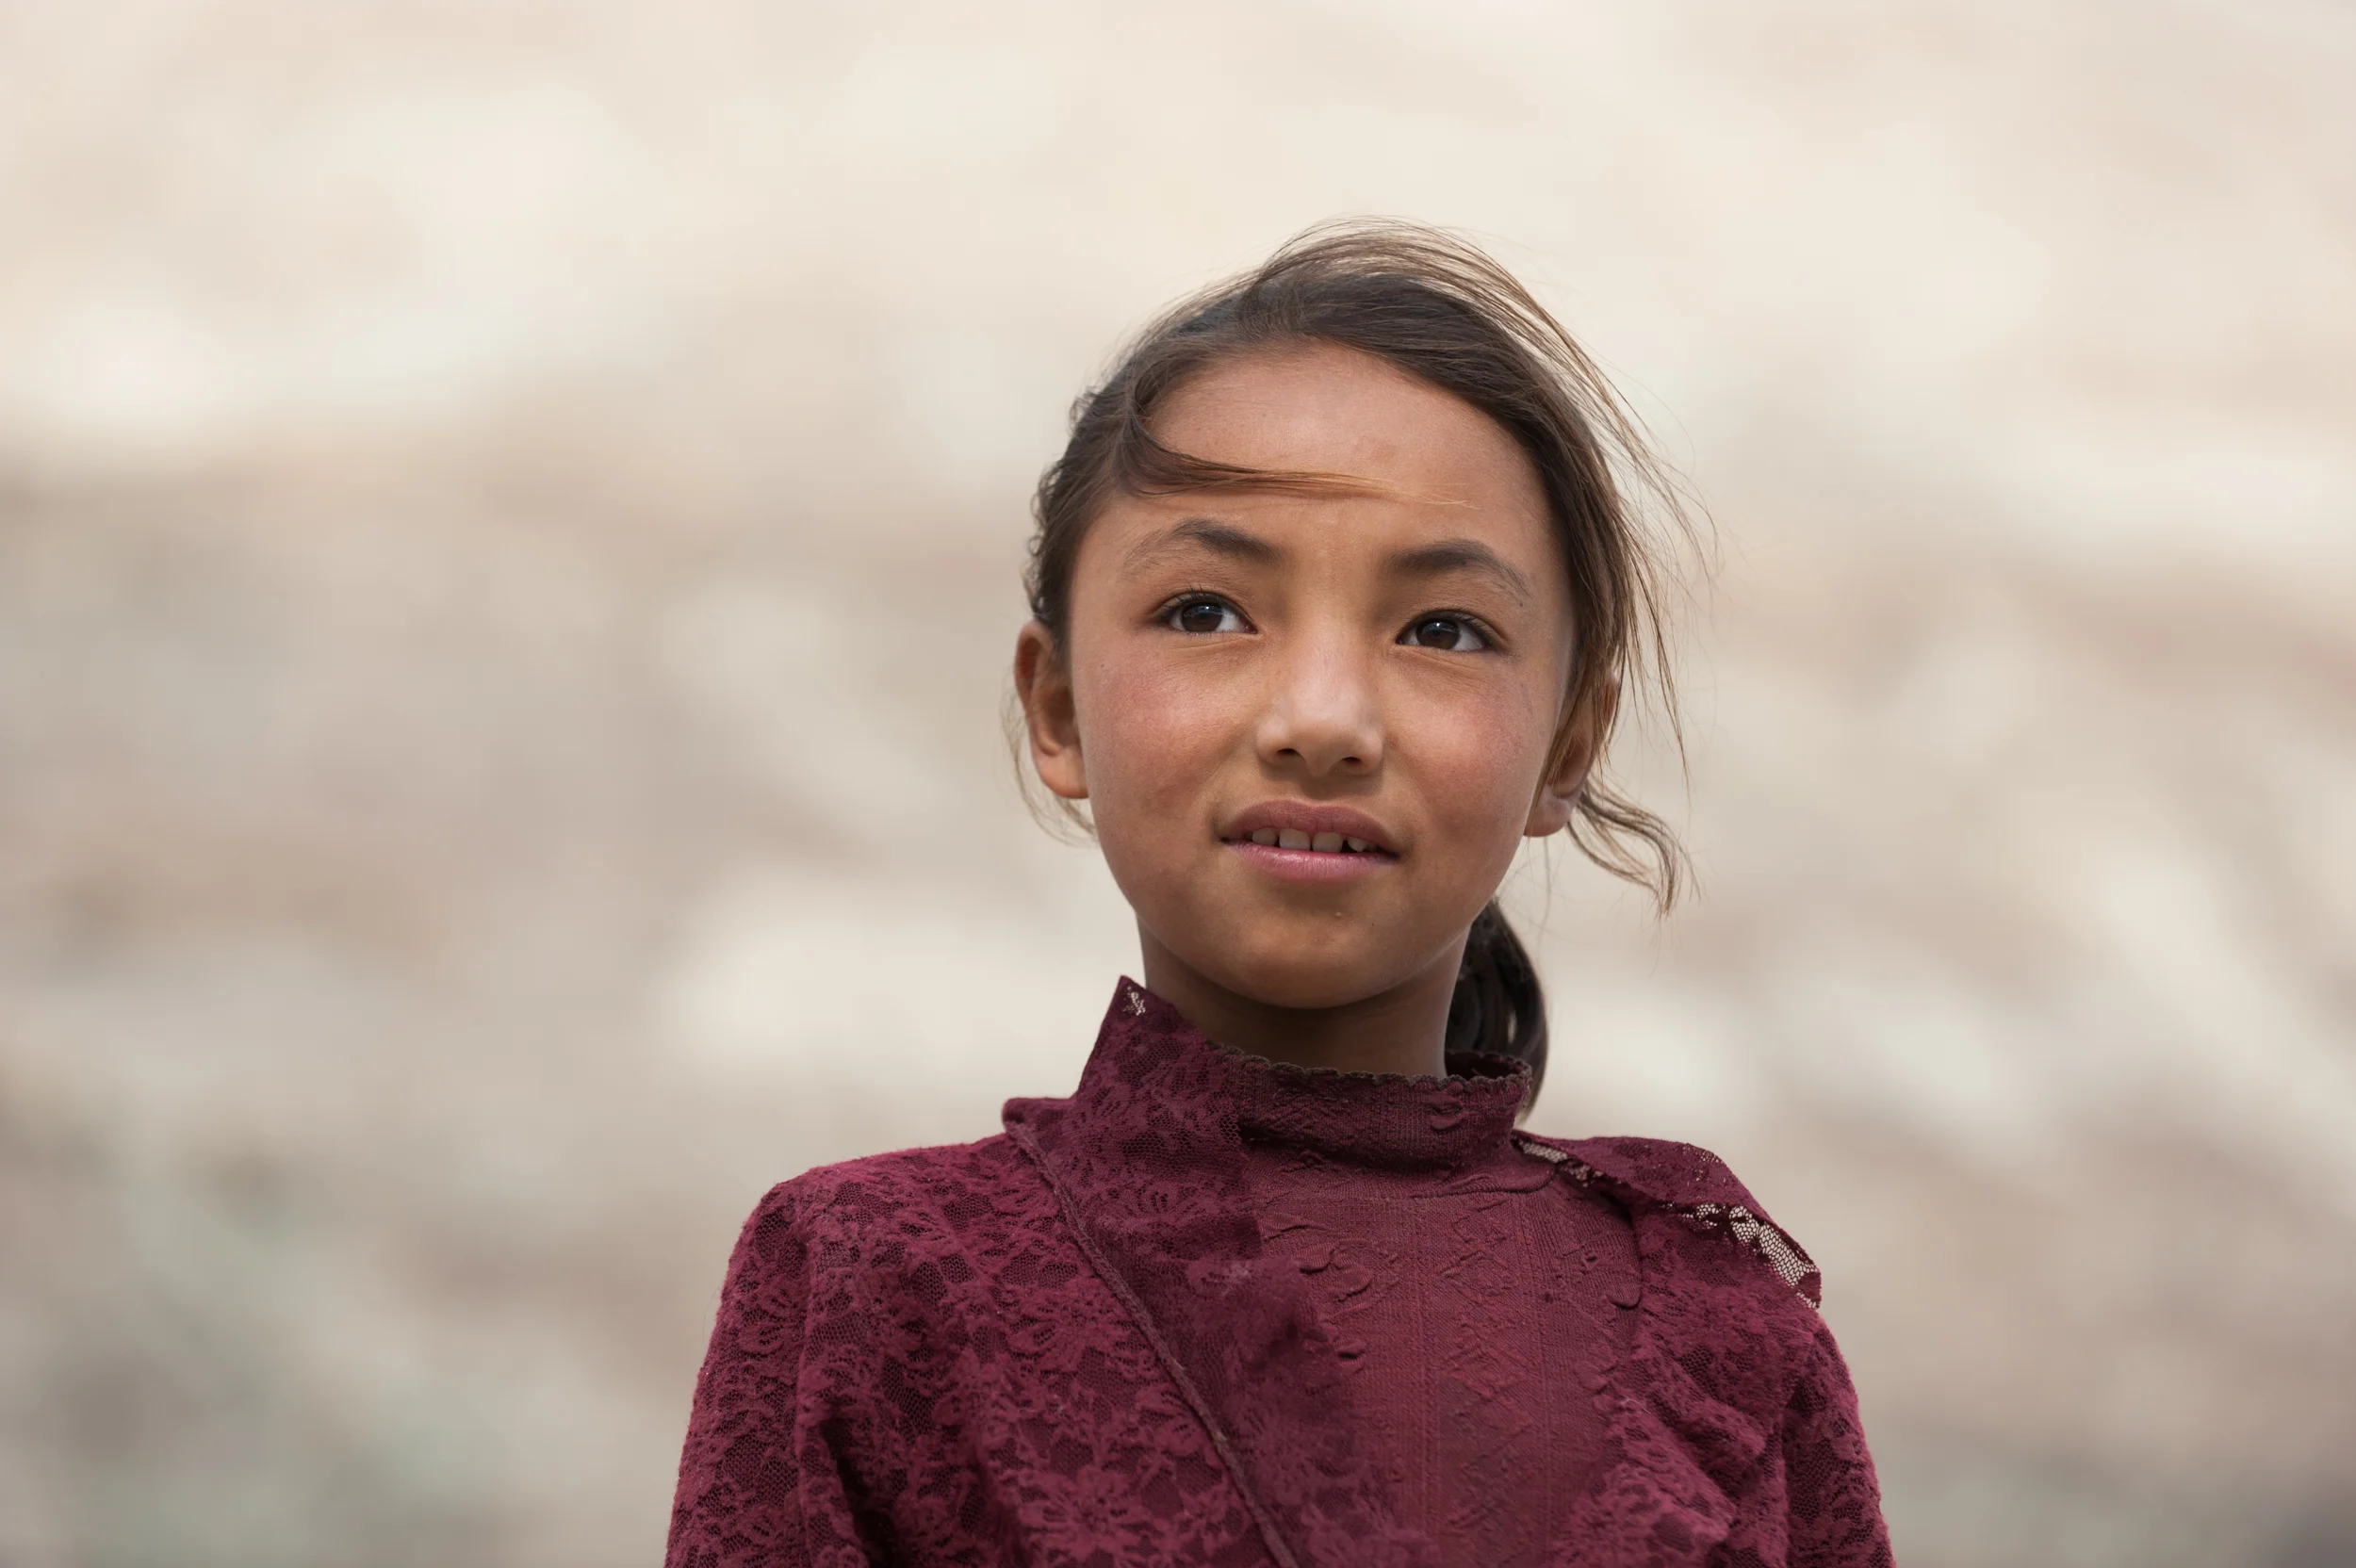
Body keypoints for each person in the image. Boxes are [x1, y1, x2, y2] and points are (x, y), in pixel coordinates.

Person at [663, 221, 1891, 1568]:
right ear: (1059, 706)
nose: (1322, 719)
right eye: (1206, 611)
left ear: (1569, 746)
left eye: (1443, 631)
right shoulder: (876, 1277)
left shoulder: (1726, 1326)